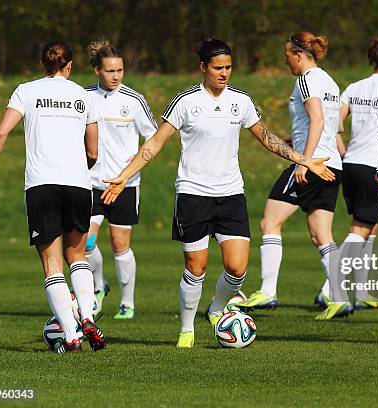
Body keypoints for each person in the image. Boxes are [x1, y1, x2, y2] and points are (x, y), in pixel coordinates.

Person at [100, 36, 335, 348]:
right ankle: (186, 328)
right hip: (193, 195)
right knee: (195, 268)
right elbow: (154, 144)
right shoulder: (186, 102)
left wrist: (303, 159)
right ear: (203, 67)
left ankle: (216, 309)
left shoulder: (241, 101)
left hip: (231, 194)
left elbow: (266, 137)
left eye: (229, 67)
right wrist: (123, 177)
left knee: (237, 269)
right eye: (218, 67)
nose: (224, 73)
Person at [0, 40, 107, 353]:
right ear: (70, 65)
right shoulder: (83, 95)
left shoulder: (26, 90)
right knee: (77, 256)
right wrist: (79, 168)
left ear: (42, 65)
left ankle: (72, 337)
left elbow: (2, 131)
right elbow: (93, 151)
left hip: (42, 186)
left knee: (52, 266)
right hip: (78, 184)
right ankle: (88, 316)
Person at [237, 32, 347, 321]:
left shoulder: (306, 79)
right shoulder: (330, 80)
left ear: (298, 54)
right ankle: (340, 296)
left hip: (312, 164)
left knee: (269, 222)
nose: (286, 60)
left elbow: (318, 119)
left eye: (287, 55)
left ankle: (268, 291)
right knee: (320, 234)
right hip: (331, 163)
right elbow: (329, 126)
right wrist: (292, 141)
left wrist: (303, 161)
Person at [84, 39, 158, 320]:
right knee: (86, 243)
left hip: (125, 184)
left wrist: (136, 161)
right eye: (109, 71)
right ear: (96, 71)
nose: (115, 76)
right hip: (90, 182)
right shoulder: (84, 97)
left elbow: (153, 136)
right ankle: (98, 284)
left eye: (120, 70)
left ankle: (127, 302)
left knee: (119, 244)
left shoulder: (134, 100)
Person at [334, 37, 378, 311]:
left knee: (369, 226)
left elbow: (335, 124)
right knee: (361, 229)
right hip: (376, 167)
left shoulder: (353, 87)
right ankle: (331, 288)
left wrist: (344, 152)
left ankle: (361, 292)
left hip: (351, 164)